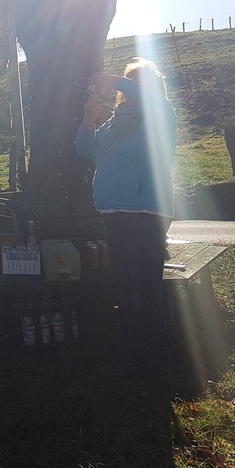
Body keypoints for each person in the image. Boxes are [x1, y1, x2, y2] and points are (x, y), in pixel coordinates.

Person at [76, 58, 178, 373]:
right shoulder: (115, 122)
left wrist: (114, 79)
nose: (131, 89)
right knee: (124, 285)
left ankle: (147, 358)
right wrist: (88, 119)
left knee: (143, 286)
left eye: (138, 83)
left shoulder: (161, 115)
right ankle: (132, 350)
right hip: (112, 209)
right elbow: (85, 150)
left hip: (144, 210)